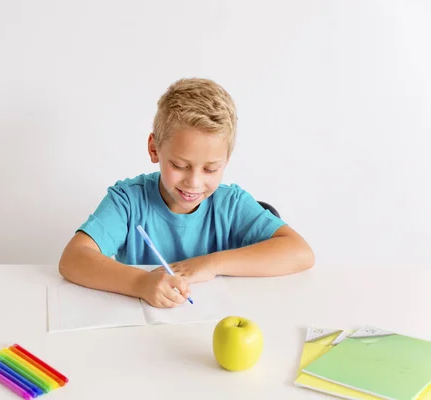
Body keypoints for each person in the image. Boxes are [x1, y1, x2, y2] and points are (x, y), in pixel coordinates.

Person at [59, 78, 314, 308]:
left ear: (226, 160)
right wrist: (141, 283)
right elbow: (73, 259)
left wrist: (211, 264)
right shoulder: (128, 201)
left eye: (210, 169)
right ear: (154, 149)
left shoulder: (231, 204)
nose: (193, 182)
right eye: (180, 166)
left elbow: (301, 252)